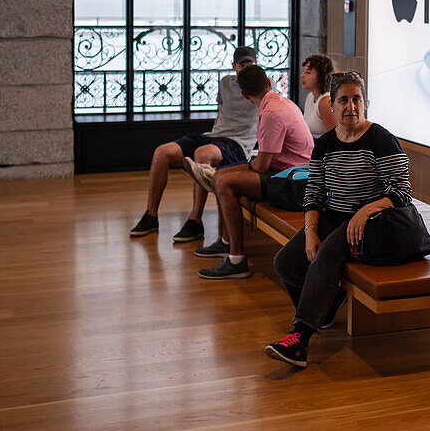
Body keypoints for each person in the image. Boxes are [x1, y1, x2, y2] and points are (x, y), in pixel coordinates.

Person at [266, 71, 412, 368]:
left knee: (326, 256)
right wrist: (309, 231)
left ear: (365, 102)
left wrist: (364, 211)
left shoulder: (381, 139)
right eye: (343, 100)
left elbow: (402, 192)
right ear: (331, 105)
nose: (351, 107)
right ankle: (327, 308)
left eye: (356, 99)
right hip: (336, 214)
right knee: (285, 262)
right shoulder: (326, 143)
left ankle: (300, 339)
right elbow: (314, 191)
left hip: (373, 221)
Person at [195, 64, 314, 279]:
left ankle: (236, 260)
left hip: (295, 181)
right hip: (285, 170)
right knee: (220, 175)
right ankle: (226, 242)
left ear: (243, 95)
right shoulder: (280, 102)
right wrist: (233, 169)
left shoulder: (271, 112)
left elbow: (261, 166)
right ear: (268, 82)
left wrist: (239, 169)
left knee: (224, 182)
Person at [128, 46, 259, 243]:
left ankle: (195, 220)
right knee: (162, 153)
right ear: (234, 66)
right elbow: (220, 112)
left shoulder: (263, 84)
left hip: (238, 143)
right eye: (242, 65)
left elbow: (268, 115)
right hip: (215, 136)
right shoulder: (225, 82)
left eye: (251, 64)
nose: (246, 69)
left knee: (202, 155)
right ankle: (151, 216)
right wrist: (215, 132)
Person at [300, 54, 337, 138]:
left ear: (321, 76)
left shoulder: (325, 102)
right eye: (304, 71)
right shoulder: (310, 97)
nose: (302, 75)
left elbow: (336, 138)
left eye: (308, 72)